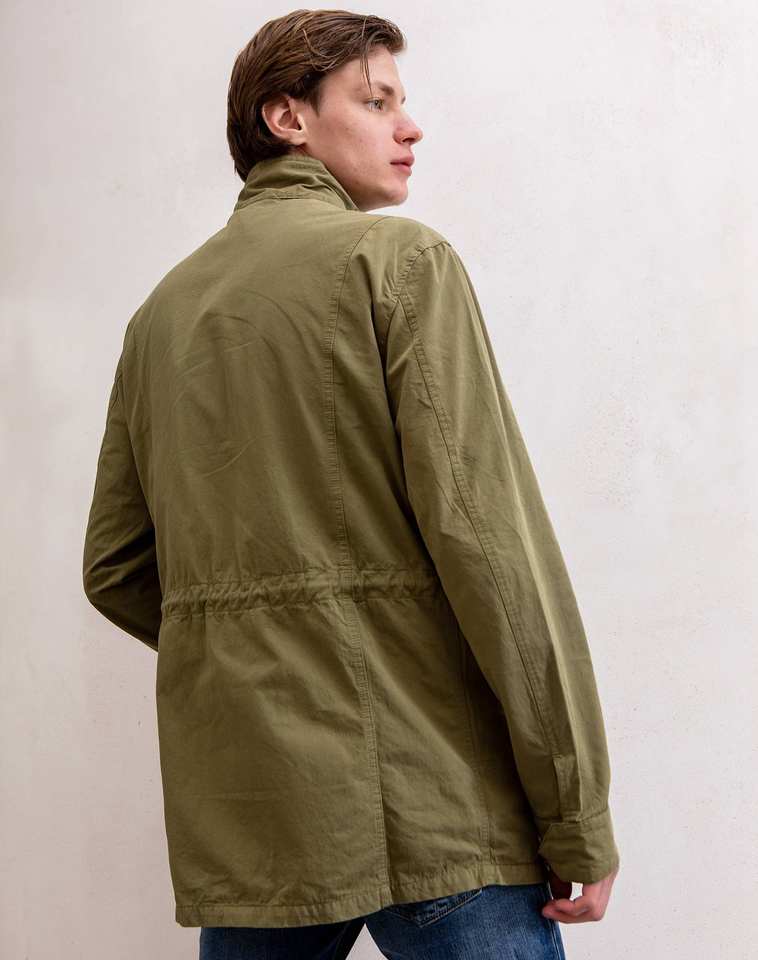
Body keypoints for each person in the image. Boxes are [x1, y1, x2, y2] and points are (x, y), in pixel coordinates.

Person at [82, 9, 620, 959]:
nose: (410, 127)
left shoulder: (160, 316)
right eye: (375, 102)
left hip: (256, 818)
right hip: (430, 805)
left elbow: (116, 568)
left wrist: (264, 655)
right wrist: (577, 814)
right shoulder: (400, 263)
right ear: (286, 117)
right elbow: (493, 552)